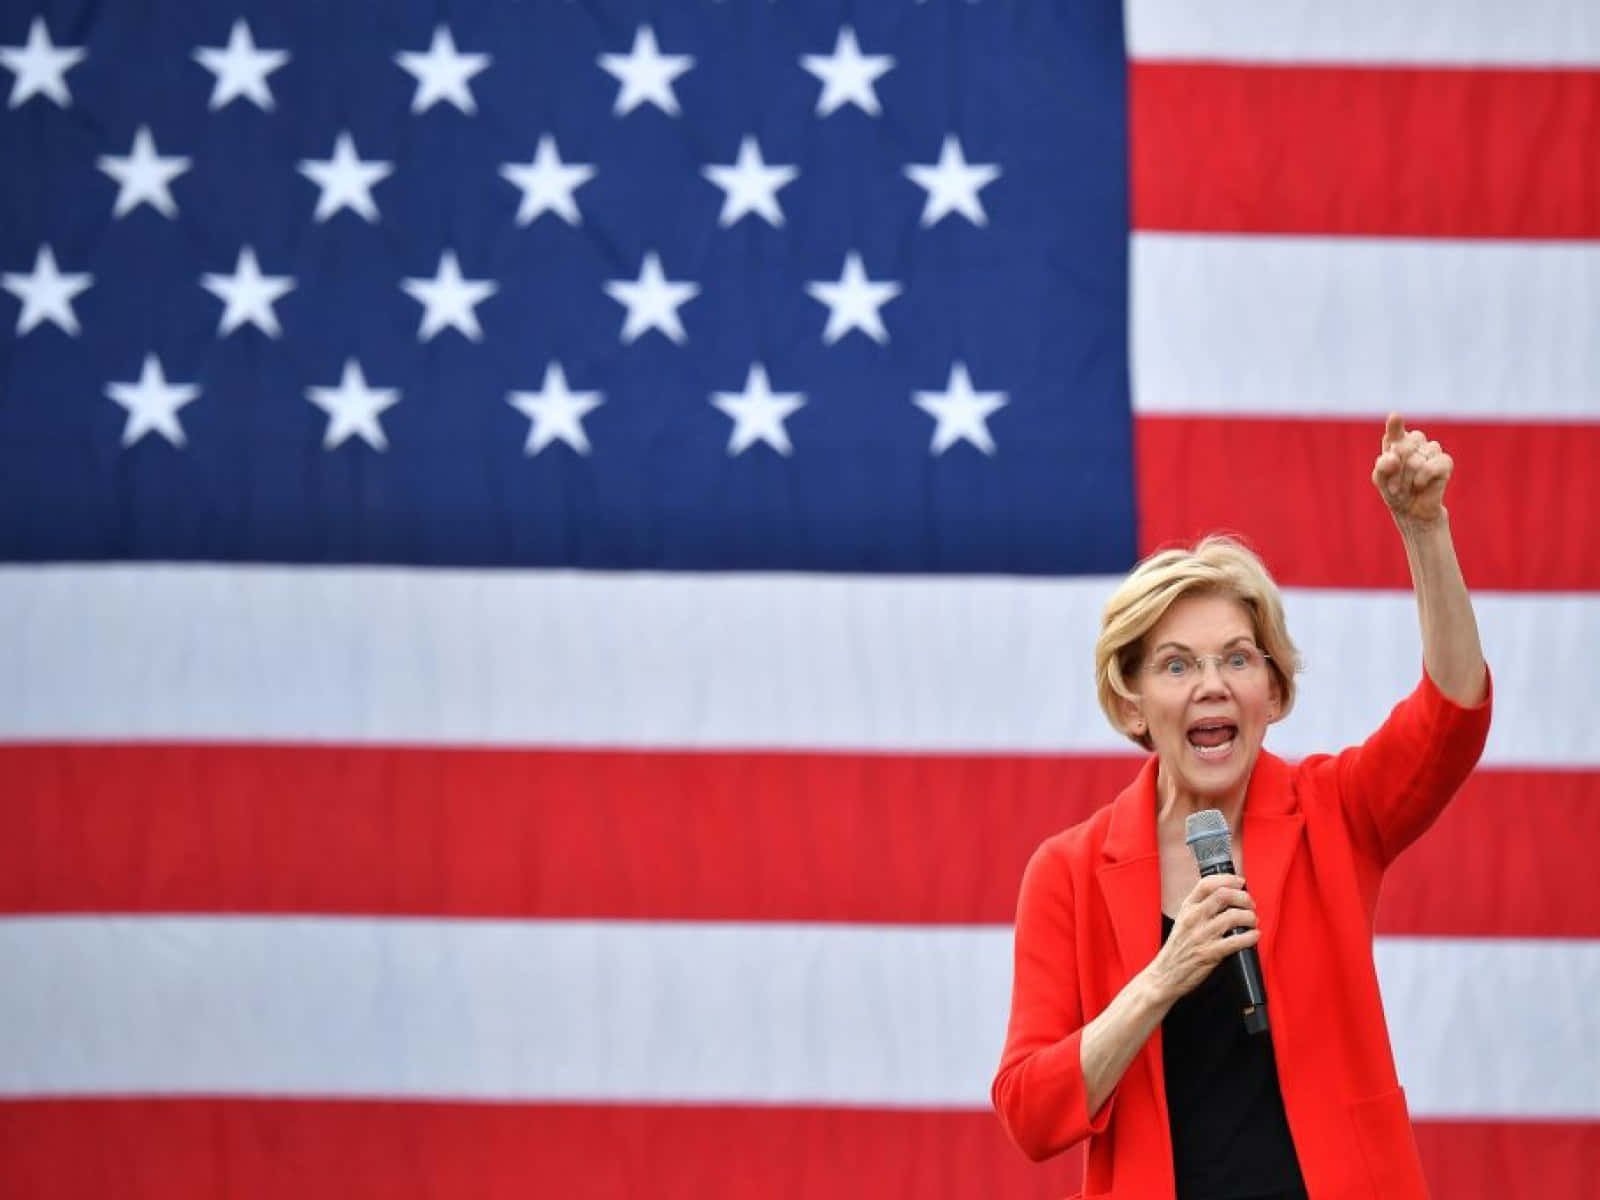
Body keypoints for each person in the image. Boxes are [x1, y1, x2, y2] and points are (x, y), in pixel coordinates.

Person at [990, 415, 1490, 1199]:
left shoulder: (1335, 811)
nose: (1212, 685)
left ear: (1275, 691)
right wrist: (1164, 977)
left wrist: (1425, 531)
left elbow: (1452, 715)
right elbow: (1030, 1113)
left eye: (1237, 658)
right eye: (1176, 665)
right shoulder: (1069, 871)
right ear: (1131, 704)